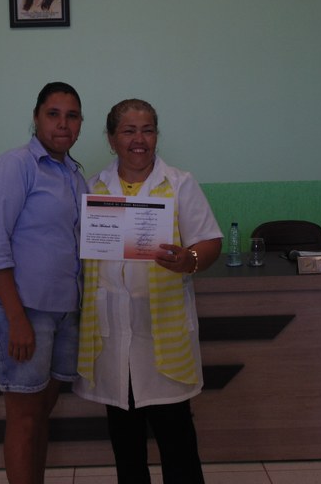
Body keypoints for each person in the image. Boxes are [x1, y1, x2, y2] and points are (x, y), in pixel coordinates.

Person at [74, 99, 223, 484]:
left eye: (147, 130)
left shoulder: (179, 183)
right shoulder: (94, 187)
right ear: (111, 139)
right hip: (112, 335)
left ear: (157, 136)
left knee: (178, 444)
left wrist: (189, 259)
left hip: (163, 335)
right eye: (129, 131)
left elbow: (210, 242)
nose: (139, 139)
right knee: (126, 448)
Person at [0, 82, 86, 484]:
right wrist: (17, 318)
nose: (63, 124)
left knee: (41, 413)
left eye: (72, 116)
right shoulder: (14, 166)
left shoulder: (74, 175)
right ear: (36, 117)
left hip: (64, 312)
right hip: (23, 311)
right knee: (24, 417)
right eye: (53, 114)